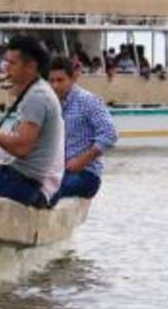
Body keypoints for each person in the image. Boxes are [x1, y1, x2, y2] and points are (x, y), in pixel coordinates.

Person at [0, 35, 64, 208]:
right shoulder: (36, 92)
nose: (5, 68)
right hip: (18, 178)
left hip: (20, 182)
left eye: (12, 63)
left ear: (31, 67)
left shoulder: (37, 97)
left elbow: (22, 149)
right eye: (5, 62)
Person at [47, 56, 118, 202]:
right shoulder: (52, 104)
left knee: (46, 193)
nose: (55, 85)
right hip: (61, 172)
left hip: (86, 174)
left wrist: (81, 161)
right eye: (52, 80)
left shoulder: (87, 100)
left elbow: (110, 134)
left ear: (73, 78)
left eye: (60, 80)